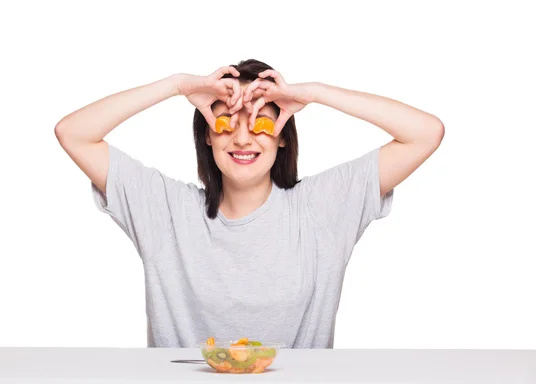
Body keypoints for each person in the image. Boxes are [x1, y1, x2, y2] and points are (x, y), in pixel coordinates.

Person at [54, 59, 444, 349]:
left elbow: (425, 133)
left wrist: (316, 93)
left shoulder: (324, 207)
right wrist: (175, 86)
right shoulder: (166, 210)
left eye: (259, 124)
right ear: (207, 135)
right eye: (225, 123)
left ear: (282, 137)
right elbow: (73, 133)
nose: (242, 139)